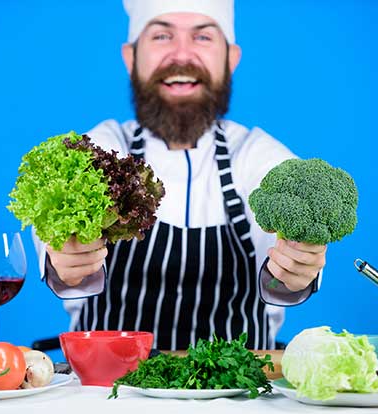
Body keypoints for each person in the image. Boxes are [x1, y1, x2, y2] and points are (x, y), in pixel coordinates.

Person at [33, 0, 327, 351]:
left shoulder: (256, 155)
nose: (181, 55)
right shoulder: (106, 145)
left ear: (230, 59)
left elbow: (282, 283)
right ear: (131, 58)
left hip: (237, 398)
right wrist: (65, 260)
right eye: (161, 36)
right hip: (107, 397)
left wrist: (294, 272)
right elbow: (62, 229)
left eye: (203, 37)